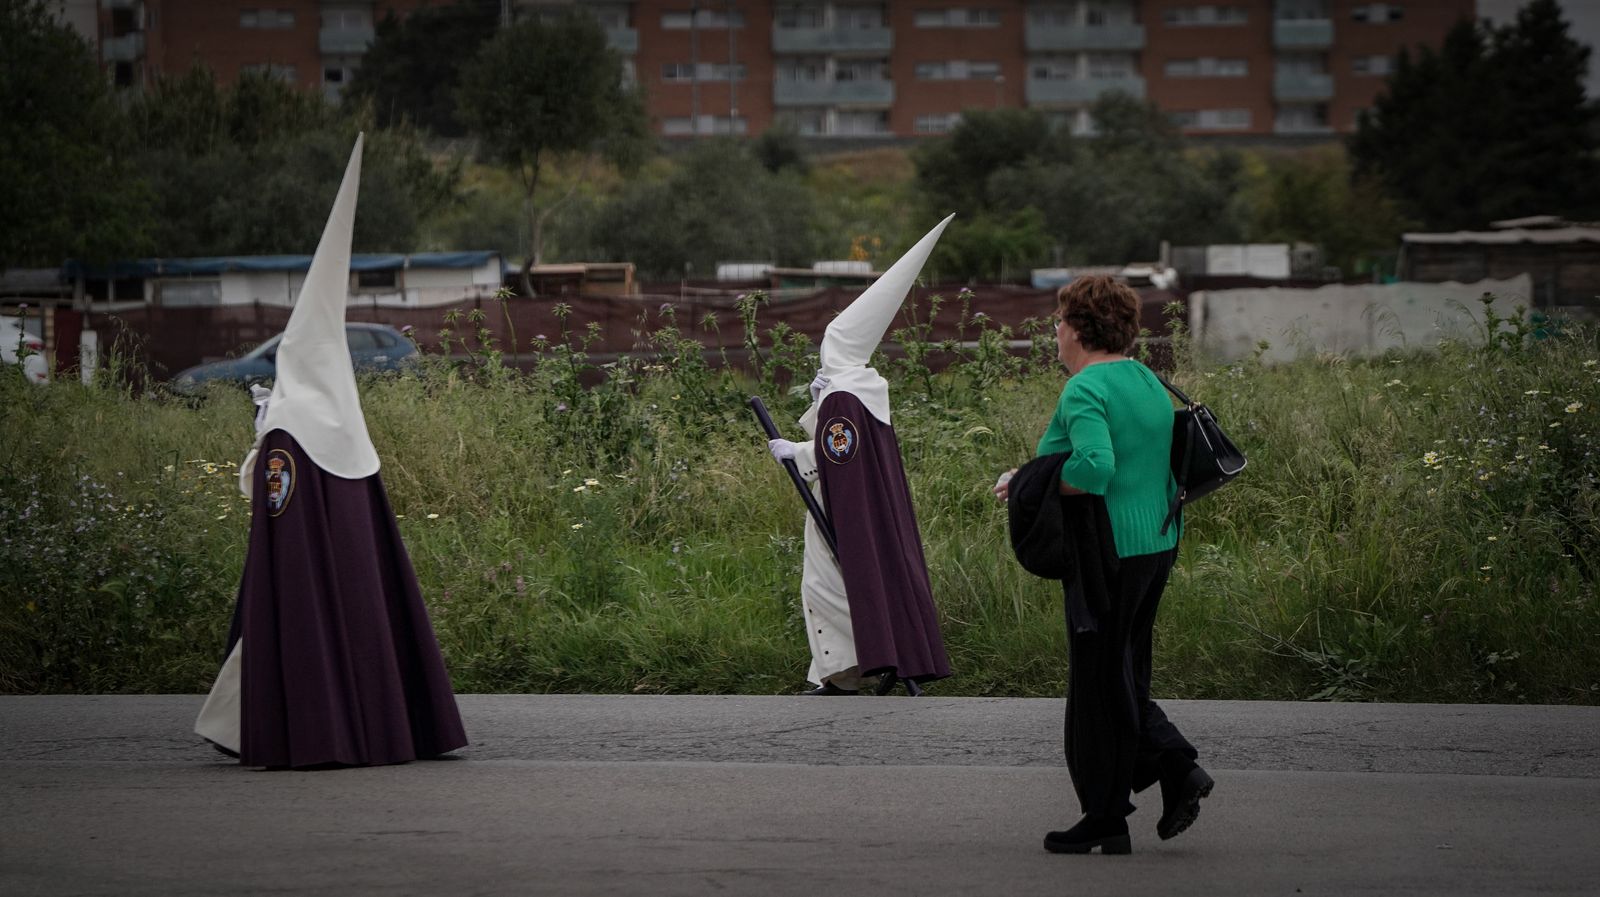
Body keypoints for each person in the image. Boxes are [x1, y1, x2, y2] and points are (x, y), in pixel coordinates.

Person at [194, 135, 468, 769]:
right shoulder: (345, 422)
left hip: (300, 578)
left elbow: (282, 530)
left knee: (295, 617)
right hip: (347, 577)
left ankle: (313, 728)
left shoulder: (287, 431)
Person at [994, 275, 1212, 854]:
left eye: (1059, 321)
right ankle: (1119, 810)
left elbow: (1094, 467)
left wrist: (1033, 484)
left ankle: (1157, 778)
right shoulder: (1144, 379)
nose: (1055, 331)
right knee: (1124, 671)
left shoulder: (1085, 388)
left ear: (1077, 329)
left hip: (1107, 552)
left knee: (1097, 684)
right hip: (1156, 543)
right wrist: (1028, 477)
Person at [765, 215, 956, 697]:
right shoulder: (866, 388)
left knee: (825, 586)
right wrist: (819, 408)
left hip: (842, 510)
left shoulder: (842, 395)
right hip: (865, 510)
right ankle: (839, 672)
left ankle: (849, 672)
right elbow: (849, 449)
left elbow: (837, 457)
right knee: (838, 586)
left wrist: (795, 451)